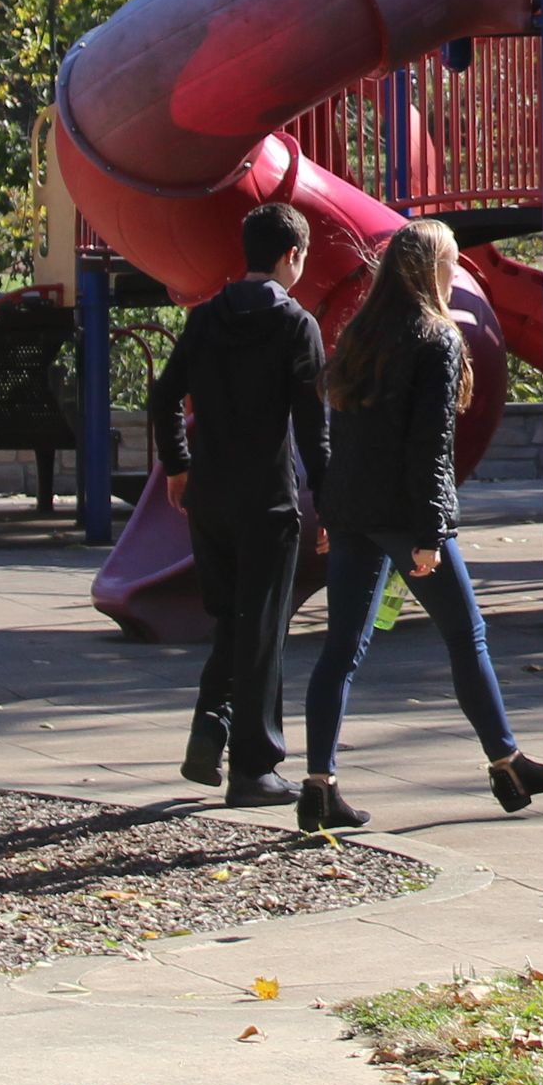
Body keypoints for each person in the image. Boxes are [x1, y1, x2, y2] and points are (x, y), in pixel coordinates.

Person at [299, 220, 543, 827]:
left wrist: (328, 510)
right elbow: (431, 445)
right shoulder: (437, 339)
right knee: (466, 635)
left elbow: (339, 435)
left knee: (341, 650)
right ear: (432, 271)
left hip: (351, 510)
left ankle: (318, 784)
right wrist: (430, 533)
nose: (459, 274)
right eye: (452, 262)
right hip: (405, 514)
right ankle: (507, 764)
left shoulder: (360, 334)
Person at [148, 201, 330, 806]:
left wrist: (178, 466)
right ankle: (254, 766)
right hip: (267, 498)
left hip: (211, 495)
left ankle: (211, 729)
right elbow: (313, 428)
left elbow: (165, 395)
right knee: (264, 630)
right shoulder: (296, 325)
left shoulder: (207, 317)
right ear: (292, 256)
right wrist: (326, 501)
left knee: (233, 620)